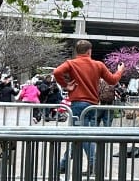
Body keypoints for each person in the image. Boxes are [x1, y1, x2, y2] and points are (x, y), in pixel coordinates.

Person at [53, 40, 125, 172]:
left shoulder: (71, 63)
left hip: (78, 104)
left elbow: (57, 72)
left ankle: (91, 162)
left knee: (80, 134)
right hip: (92, 105)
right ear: (89, 51)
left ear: (77, 51)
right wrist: (120, 71)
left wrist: (66, 85)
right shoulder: (98, 65)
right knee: (80, 135)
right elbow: (113, 80)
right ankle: (64, 164)